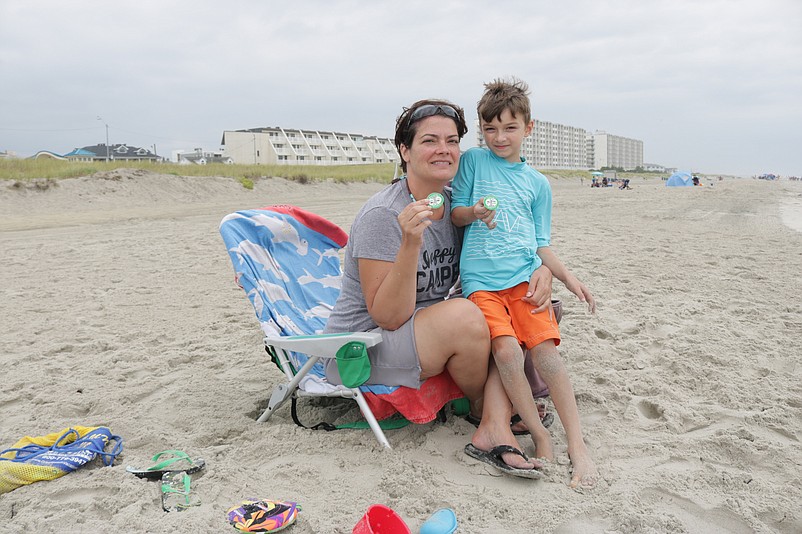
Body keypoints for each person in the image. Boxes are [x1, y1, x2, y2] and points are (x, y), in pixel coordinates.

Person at [323, 98, 549, 478]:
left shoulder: (453, 206)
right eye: (429, 140)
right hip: (363, 347)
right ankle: (483, 408)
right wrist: (410, 243)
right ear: (404, 151)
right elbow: (388, 316)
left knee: (520, 302)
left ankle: (492, 423)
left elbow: (505, 260)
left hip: (420, 328)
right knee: (467, 315)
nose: (443, 150)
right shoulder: (384, 215)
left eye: (451, 140)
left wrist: (541, 269)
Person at [451, 77, 598, 488]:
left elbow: (541, 244)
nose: (500, 137)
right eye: (491, 129)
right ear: (482, 130)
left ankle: (578, 447)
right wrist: (475, 211)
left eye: (510, 128)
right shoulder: (474, 163)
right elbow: (456, 213)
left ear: (528, 128)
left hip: (523, 281)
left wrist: (568, 277)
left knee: (548, 357)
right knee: (508, 353)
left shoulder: (538, 183)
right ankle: (539, 434)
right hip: (480, 282)